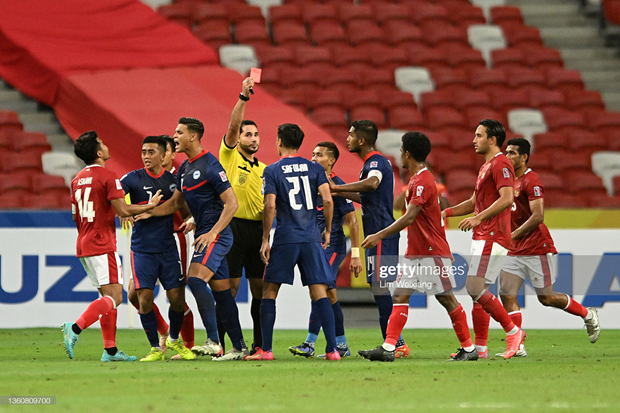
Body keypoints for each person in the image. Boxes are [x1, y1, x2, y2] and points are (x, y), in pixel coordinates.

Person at [357, 132, 478, 362]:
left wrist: (379, 235)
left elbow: (410, 217)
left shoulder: (423, 181)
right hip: (418, 253)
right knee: (400, 296)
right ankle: (389, 347)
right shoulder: (415, 180)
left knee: (447, 299)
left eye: (402, 150)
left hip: (431, 253)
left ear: (408, 153)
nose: (400, 154)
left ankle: (469, 349)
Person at [138, 117, 248, 361]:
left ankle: (213, 341)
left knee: (196, 280)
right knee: (222, 292)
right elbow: (176, 203)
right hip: (204, 232)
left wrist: (213, 232)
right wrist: (147, 211)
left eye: (179, 132)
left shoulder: (211, 165)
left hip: (216, 234)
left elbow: (232, 204)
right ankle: (239, 348)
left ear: (193, 137)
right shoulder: (185, 168)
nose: (174, 137)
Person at [62, 131, 163, 361]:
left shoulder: (77, 180)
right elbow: (124, 210)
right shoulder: (108, 176)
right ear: (99, 153)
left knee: (106, 298)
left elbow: (76, 215)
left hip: (84, 242)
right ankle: (75, 328)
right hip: (101, 243)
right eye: (103, 143)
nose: (106, 146)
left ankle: (110, 351)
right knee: (116, 297)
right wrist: (149, 205)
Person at [495, 137, 600, 356]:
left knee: (547, 298)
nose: (508, 156)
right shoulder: (507, 181)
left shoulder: (531, 180)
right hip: (514, 248)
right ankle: (518, 344)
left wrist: (511, 235)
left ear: (524, 157)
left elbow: (538, 216)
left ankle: (587, 314)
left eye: (513, 153)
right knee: (506, 293)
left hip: (536, 248)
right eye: (507, 152)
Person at [245, 124, 340, 361]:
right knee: (319, 291)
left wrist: (265, 238)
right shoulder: (315, 168)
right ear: (300, 143)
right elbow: (327, 201)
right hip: (310, 238)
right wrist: (327, 230)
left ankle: (266, 350)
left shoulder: (272, 170)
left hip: (286, 238)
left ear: (279, 141)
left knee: (270, 290)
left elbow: (269, 205)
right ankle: (332, 350)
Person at [441, 119, 525, 359]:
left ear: (492, 140)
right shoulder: (486, 166)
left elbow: (508, 198)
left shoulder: (501, 164)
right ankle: (480, 350)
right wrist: (445, 212)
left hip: (493, 234)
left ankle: (513, 331)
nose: (473, 140)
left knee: (474, 287)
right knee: (480, 294)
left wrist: (478, 219)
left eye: (479, 135)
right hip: (483, 235)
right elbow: (473, 202)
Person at [329, 120, 409, 358]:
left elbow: (372, 185)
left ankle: (394, 343)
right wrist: (337, 190)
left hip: (382, 232)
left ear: (361, 140)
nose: (348, 139)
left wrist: (337, 187)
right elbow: (366, 196)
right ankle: (395, 341)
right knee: (379, 288)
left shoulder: (375, 163)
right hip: (377, 233)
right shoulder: (371, 163)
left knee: (381, 288)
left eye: (351, 135)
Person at [120, 136, 196, 361]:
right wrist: (131, 211)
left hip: (168, 246)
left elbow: (186, 208)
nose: (146, 156)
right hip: (142, 248)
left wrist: (191, 218)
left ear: (163, 155)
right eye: (143, 152)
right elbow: (116, 203)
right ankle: (155, 347)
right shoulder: (132, 179)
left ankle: (175, 340)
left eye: (151, 152)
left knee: (177, 298)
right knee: (141, 296)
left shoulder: (174, 181)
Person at [288, 141, 363, 358]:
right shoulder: (310, 184)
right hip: (314, 245)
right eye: (312, 154)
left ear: (331, 160)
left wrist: (356, 255)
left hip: (333, 247)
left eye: (319, 155)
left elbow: (353, 221)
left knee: (319, 289)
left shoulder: (337, 185)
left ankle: (310, 343)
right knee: (329, 295)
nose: (313, 158)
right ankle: (341, 345)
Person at [218, 78, 265, 354]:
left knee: (259, 290)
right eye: (248, 135)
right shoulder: (229, 156)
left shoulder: (265, 168)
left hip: (258, 231)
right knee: (231, 288)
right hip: (233, 229)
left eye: (256, 135)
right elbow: (233, 127)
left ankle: (259, 346)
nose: (253, 139)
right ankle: (220, 345)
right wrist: (243, 98)